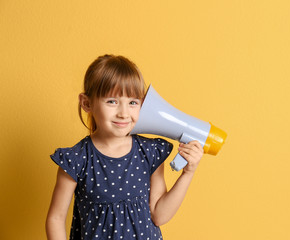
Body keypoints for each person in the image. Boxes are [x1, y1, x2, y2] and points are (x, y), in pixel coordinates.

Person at [45, 54, 204, 240]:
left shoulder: (149, 153)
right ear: (87, 103)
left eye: (132, 102)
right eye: (112, 101)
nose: (124, 113)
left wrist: (188, 173)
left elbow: (159, 216)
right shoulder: (76, 159)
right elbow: (56, 218)